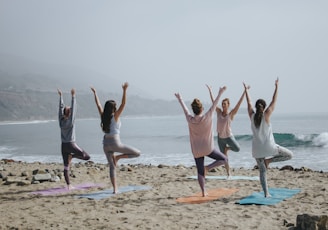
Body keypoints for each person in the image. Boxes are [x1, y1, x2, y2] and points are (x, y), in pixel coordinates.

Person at [175, 86, 228, 197]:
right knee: (224, 159)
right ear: (202, 109)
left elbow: (185, 109)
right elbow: (215, 104)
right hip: (208, 148)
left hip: (196, 150)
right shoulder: (207, 117)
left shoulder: (190, 119)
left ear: (194, 110)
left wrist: (180, 99)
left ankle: (204, 192)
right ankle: (208, 168)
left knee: (199, 172)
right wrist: (220, 92)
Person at [244, 78, 293, 197]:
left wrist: (246, 90)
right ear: (264, 107)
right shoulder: (267, 114)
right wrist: (276, 87)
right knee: (289, 155)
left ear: (256, 107)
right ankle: (269, 160)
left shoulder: (251, 115)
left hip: (257, 150)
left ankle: (266, 193)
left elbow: (249, 103)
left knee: (262, 171)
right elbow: (274, 100)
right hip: (270, 147)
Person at [91, 82, 140, 194]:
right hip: (115, 143)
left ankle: (115, 189)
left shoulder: (103, 116)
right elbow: (123, 104)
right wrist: (124, 90)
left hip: (105, 144)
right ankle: (118, 157)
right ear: (114, 108)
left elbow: (98, 105)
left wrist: (95, 93)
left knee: (112, 167)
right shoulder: (115, 116)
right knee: (137, 153)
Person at [206, 84, 248, 178]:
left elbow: (239, 103)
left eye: (225, 104)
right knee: (224, 158)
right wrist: (210, 91)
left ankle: (228, 149)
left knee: (237, 148)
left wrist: (244, 92)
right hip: (220, 139)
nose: (223, 105)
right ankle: (228, 174)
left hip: (229, 137)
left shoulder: (231, 114)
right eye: (222, 104)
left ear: (228, 105)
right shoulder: (219, 112)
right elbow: (214, 102)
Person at [58, 88, 91, 190]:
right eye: (70, 110)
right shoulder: (71, 121)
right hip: (71, 144)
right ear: (70, 113)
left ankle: (68, 185)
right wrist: (73, 96)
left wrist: (61, 96)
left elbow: (60, 108)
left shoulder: (61, 121)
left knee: (66, 166)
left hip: (63, 145)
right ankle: (73, 157)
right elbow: (74, 108)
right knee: (86, 156)